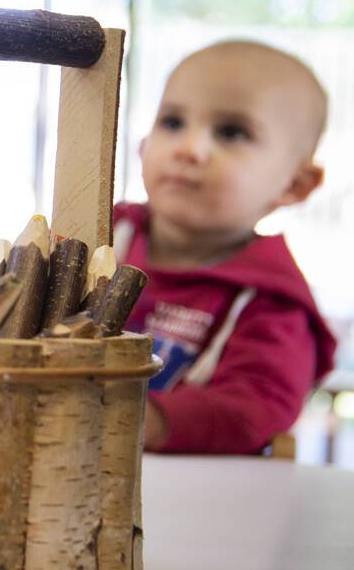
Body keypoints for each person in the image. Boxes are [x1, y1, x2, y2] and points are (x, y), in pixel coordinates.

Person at [115, 39, 337, 454]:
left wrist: (146, 422)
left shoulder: (272, 302)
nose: (189, 149)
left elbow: (254, 406)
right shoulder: (100, 234)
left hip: (201, 504)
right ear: (142, 145)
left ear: (294, 183)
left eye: (232, 132)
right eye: (173, 122)